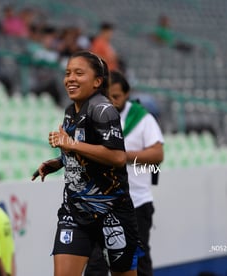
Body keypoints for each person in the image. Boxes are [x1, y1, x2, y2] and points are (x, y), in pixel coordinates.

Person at [32, 51, 143, 276]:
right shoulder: (69, 112)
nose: (70, 78)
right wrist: (59, 162)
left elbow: (117, 157)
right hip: (74, 212)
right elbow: (81, 152)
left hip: (112, 212)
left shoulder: (103, 110)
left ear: (97, 81)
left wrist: (71, 145)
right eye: (67, 73)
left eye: (79, 73)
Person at [85, 71, 164, 276]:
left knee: (137, 260)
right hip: (103, 204)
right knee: (96, 262)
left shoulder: (142, 119)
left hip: (136, 202)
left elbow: (157, 154)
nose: (111, 101)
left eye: (116, 96)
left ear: (127, 94)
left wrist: (123, 156)